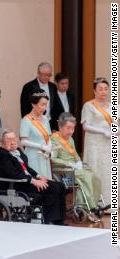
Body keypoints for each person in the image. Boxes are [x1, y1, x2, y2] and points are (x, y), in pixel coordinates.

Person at [0, 129, 66, 225]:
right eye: (9, 139)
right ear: (2, 142)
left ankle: (59, 220)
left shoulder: (17, 151)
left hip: (26, 181)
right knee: (53, 188)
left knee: (60, 185)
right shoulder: (1, 155)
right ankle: (50, 220)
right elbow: (13, 174)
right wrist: (33, 181)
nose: (12, 141)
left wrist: (39, 176)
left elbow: (27, 168)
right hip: (16, 184)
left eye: (14, 138)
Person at [51, 112, 102, 222]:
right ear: (60, 126)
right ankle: (89, 208)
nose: (71, 131)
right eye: (68, 128)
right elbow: (53, 159)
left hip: (75, 169)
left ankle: (93, 205)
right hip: (63, 172)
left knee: (95, 178)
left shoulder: (71, 140)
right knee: (85, 178)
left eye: (73, 128)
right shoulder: (54, 139)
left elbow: (76, 155)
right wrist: (69, 164)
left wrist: (78, 162)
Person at [81, 77, 113, 210]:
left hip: (109, 144)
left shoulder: (113, 106)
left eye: (106, 89)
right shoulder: (89, 106)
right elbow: (85, 126)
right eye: (100, 89)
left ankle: (109, 204)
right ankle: (94, 204)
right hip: (94, 144)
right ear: (94, 91)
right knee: (96, 171)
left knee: (109, 172)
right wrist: (102, 131)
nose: (103, 92)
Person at [20, 89, 53, 179]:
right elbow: (23, 141)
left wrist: (49, 147)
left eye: (46, 104)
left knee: (47, 183)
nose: (44, 108)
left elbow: (49, 136)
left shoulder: (45, 119)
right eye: (42, 104)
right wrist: (41, 146)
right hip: (33, 156)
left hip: (44, 156)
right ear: (33, 104)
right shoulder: (26, 120)